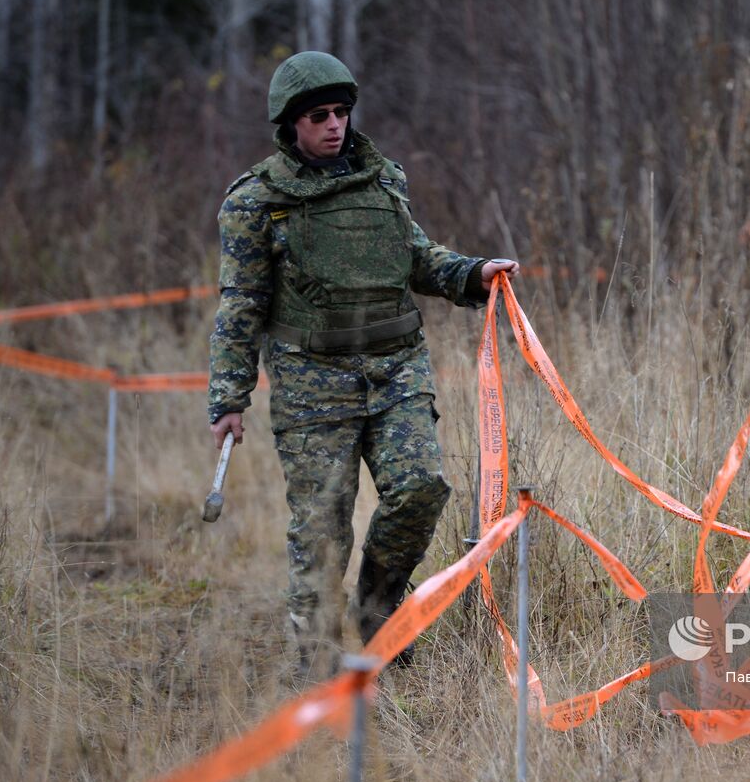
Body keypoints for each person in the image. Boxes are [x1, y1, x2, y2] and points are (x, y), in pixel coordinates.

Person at [207, 51, 519, 677]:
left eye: (341, 113)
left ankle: (379, 612)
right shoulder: (256, 200)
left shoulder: (383, 182)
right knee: (322, 525)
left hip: (396, 370)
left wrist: (474, 274)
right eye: (318, 116)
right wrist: (230, 398)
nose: (333, 126)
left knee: (420, 490)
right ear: (291, 125)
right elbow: (241, 303)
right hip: (312, 382)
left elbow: (419, 259)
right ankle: (318, 665)